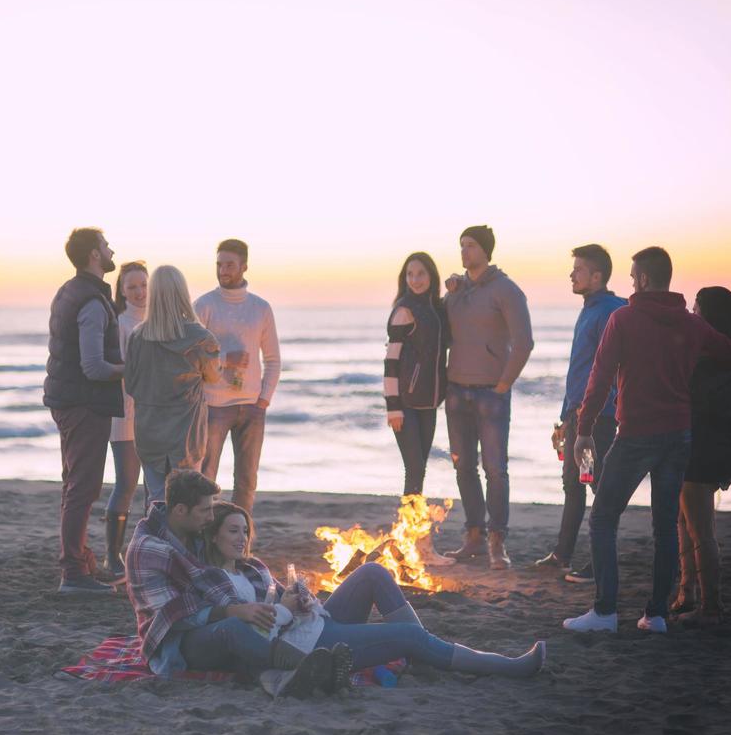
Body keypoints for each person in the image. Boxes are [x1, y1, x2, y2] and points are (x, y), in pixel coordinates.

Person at [564, 248, 731, 635]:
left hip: (635, 435)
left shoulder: (624, 319)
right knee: (665, 526)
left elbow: (598, 382)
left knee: (602, 518)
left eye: (634, 277)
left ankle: (604, 612)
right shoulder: (690, 324)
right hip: (678, 437)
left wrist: (583, 431)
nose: (631, 283)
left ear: (645, 279)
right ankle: (656, 615)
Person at [199, 500, 547, 682]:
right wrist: (288, 609)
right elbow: (255, 639)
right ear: (213, 535)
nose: (242, 538)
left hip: (314, 625)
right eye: (232, 531)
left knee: (372, 571)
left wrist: (304, 600)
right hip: (305, 647)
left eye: (245, 531)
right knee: (410, 636)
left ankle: (422, 651)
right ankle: (507, 667)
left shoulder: (253, 567)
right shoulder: (217, 581)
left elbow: (285, 603)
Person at [124, 469, 345, 698]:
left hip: (211, 627)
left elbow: (219, 577)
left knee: (242, 627)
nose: (211, 517)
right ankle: (316, 669)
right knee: (232, 628)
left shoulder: (193, 533)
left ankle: (291, 672)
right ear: (180, 510)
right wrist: (232, 611)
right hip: (176, 641)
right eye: (205, 510)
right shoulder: (148, 550)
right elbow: (172, 616)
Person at [442, 225, 534, 569]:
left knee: (495, 469)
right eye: (461, 245)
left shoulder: (507, 290)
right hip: (456, 391)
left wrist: (503, 384)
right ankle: (474, 538)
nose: (464, 251)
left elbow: (524, 342)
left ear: (486, 251)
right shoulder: (456, 291)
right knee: (463, 466)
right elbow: (439, 332)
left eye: (470, 246)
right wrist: (448, 290)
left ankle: (498, 542)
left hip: (491, 394)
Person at [535, 245, 626, 583]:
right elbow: (579, 370)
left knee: (593, 484)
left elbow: (615, 366)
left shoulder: (609, 311)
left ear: (597, 276)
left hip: (597, 419)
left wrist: (597, 411)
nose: (572, 275)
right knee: (574, 483)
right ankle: (562, 555)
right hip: (578, 417)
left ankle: (598, 565)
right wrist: (565, 418)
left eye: (579, 269)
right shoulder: (589, 308)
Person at [43, 228, 125, 595]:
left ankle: (80, 561)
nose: (112, 250)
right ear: (95, 255)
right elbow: (94, 367)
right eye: (107, 245)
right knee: (83, 487)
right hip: (84, 403)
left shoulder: (69, 291)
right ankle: (73, 574)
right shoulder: (91, 301)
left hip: (68, 399)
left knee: (75, 484)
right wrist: (132, 368)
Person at [671, 287, 731, 628]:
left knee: (701, 529)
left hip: (703, 449)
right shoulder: (729, 354)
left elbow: (696, 403)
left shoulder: (712, 359)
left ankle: (711, 606)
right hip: (710, 446)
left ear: (709, 316)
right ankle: (686, 592)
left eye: (696, 309)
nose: (691, 314)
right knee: (684, 521)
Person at [196, 238, 281, 518]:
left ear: (244, 266)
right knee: (206, 478)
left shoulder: (260, 308)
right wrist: (224, 360)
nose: (223, 270)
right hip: (214, 405)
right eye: (219, 264)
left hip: (252, 407)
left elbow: (272, 359)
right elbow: (192, 357)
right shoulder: (204, 305)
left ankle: (240, 541)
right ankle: (206, 537)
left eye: (229, 265)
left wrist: (264, 399)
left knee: (247, 481)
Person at [124, 266, 221, 508]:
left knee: (156, 502)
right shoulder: (200, 337)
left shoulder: (138, 336)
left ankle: (155, 545)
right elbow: (213, 376)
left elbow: (132, 385)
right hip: (186, 432)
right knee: (189, 503)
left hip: (149, 431)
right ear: (182, 293)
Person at [384, 252, 449, 498]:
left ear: (431, 276)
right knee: (414, 467)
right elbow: (390, 362)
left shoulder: (437, 310)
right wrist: (393, 407)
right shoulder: (404, 311)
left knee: (419, 469)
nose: (415, 279)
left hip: (429, 403)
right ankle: (410, 527)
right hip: (405, 403)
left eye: (421, 273)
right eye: (410, 274)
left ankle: (413, 525)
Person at [99, 260, 149, 578]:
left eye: (143, 285)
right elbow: (119, 368)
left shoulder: (160, 319)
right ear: (122, 290)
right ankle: (112, 556)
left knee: (156, 486)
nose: (140, 292)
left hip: (157, 413)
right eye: (132, 286)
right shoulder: (119, 323)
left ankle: (147, 551)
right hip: (127, 412)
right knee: (127, 483)